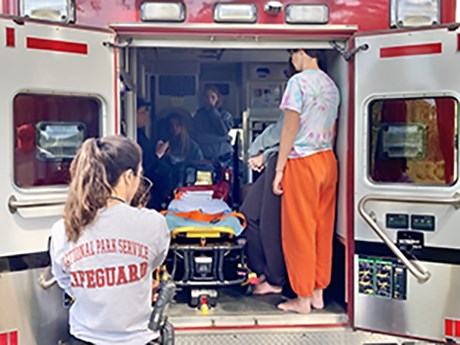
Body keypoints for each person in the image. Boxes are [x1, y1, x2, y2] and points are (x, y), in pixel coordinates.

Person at [50, 135, 170, 344]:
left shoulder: (63, 229)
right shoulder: (152, 223)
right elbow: (154, 262)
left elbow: (64, 280)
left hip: (84, 337)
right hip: (137, 339)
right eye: (139, 175)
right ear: (128, 176)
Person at [272, 49, 340, 314]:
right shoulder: (331, 85)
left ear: (301, 52)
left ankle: (301, 298)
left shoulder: (297, 83)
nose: (291, 60)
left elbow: (290, 127)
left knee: (299, 231)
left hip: (302, 161)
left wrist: (279, 169)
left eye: (292, 54)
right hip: (327, 160)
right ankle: (317, 293)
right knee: (322, 229)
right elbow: (332, 129)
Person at [240, 117, 287, 295]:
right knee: (249, 213)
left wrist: (257, 151)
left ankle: (275, 280)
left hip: (282, 163)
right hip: (276, 158)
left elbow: (285, 130)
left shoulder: (300, 90)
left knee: (269, 224)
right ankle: (263, 271)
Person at [193, 86, 233, 166]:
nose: (209, 100)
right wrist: (223, 138)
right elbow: (198, 135)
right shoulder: (199, 115)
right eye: (207, 97)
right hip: (204, 155)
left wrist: (213, 111)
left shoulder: (225, 115)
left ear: (218, 99)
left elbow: (223, 131)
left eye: (213, 97)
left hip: (223, 155)